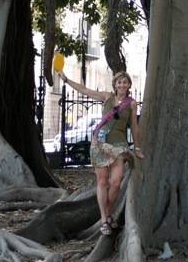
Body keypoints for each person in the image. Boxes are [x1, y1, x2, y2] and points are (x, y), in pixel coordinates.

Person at [61, 71, 143, 236]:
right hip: (99, 142)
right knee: (103, 181)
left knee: (116, 182)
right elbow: (85, 90)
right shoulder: (106, 97)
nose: (122, 85)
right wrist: (66, 79)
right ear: (115, 84)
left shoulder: (132, 104)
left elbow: (134, 126)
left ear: (129, 85)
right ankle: (105, 219)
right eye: (119, 82)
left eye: (125, 82)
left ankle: (107, 212)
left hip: (119, 145)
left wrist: (138, 147)